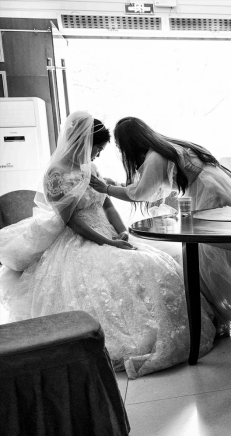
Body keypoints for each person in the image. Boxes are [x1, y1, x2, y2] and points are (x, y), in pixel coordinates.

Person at [0, 111, 217, 378]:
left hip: (107, 233)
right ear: (82, 142)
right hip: (78, 239)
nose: (97, 157)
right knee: (128, 268)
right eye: (97, 150)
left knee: (153, 261)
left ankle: (183, 329)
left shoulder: (90, 169)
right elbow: (72, 222)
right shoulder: (56, 174)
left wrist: (121, 232)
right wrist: (106, 242)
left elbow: (107, 204)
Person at [89, 117, 231, 333]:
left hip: (209, 193)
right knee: (213, 253)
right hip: (215, 187)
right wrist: (118, 186)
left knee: (209, 255)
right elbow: (155, 187)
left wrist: (107, 189)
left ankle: (217, 315)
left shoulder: (155, 157)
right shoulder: (164, 148)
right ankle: (217, 313)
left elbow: (142, 193)